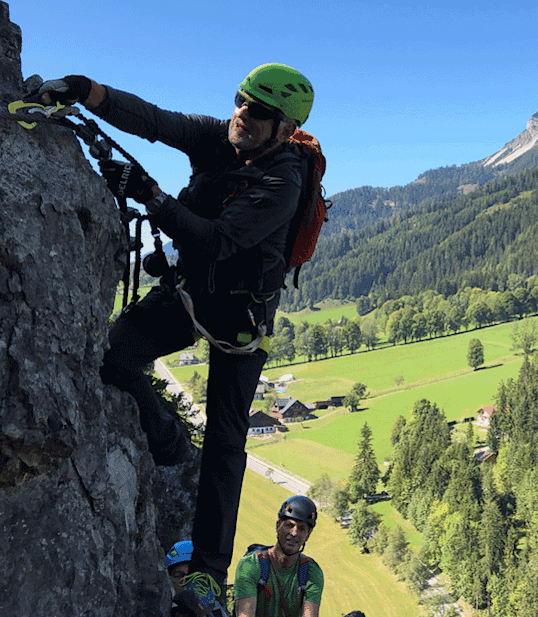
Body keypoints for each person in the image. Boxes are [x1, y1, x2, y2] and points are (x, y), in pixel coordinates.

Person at [34, 64, 316, 615]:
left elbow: (217, 241)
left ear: (283, 129)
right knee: (114, 356)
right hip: (191, 292)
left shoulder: (284, 183)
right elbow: (156, 121)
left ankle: (208, 576)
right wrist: (88, 92)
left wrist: (150, 196)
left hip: (240, 320)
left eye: (258, 111)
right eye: (241, 99)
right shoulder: (219, 137)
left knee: (226, 442)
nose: (243, 113)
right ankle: (164, 436)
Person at [232, 495, 324, 617]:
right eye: (289, 525)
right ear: (278, 526)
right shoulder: (250, 565)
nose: (294, 533)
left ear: (307, 535)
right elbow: (245, 614)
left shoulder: (311, 573)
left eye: (301, 529)